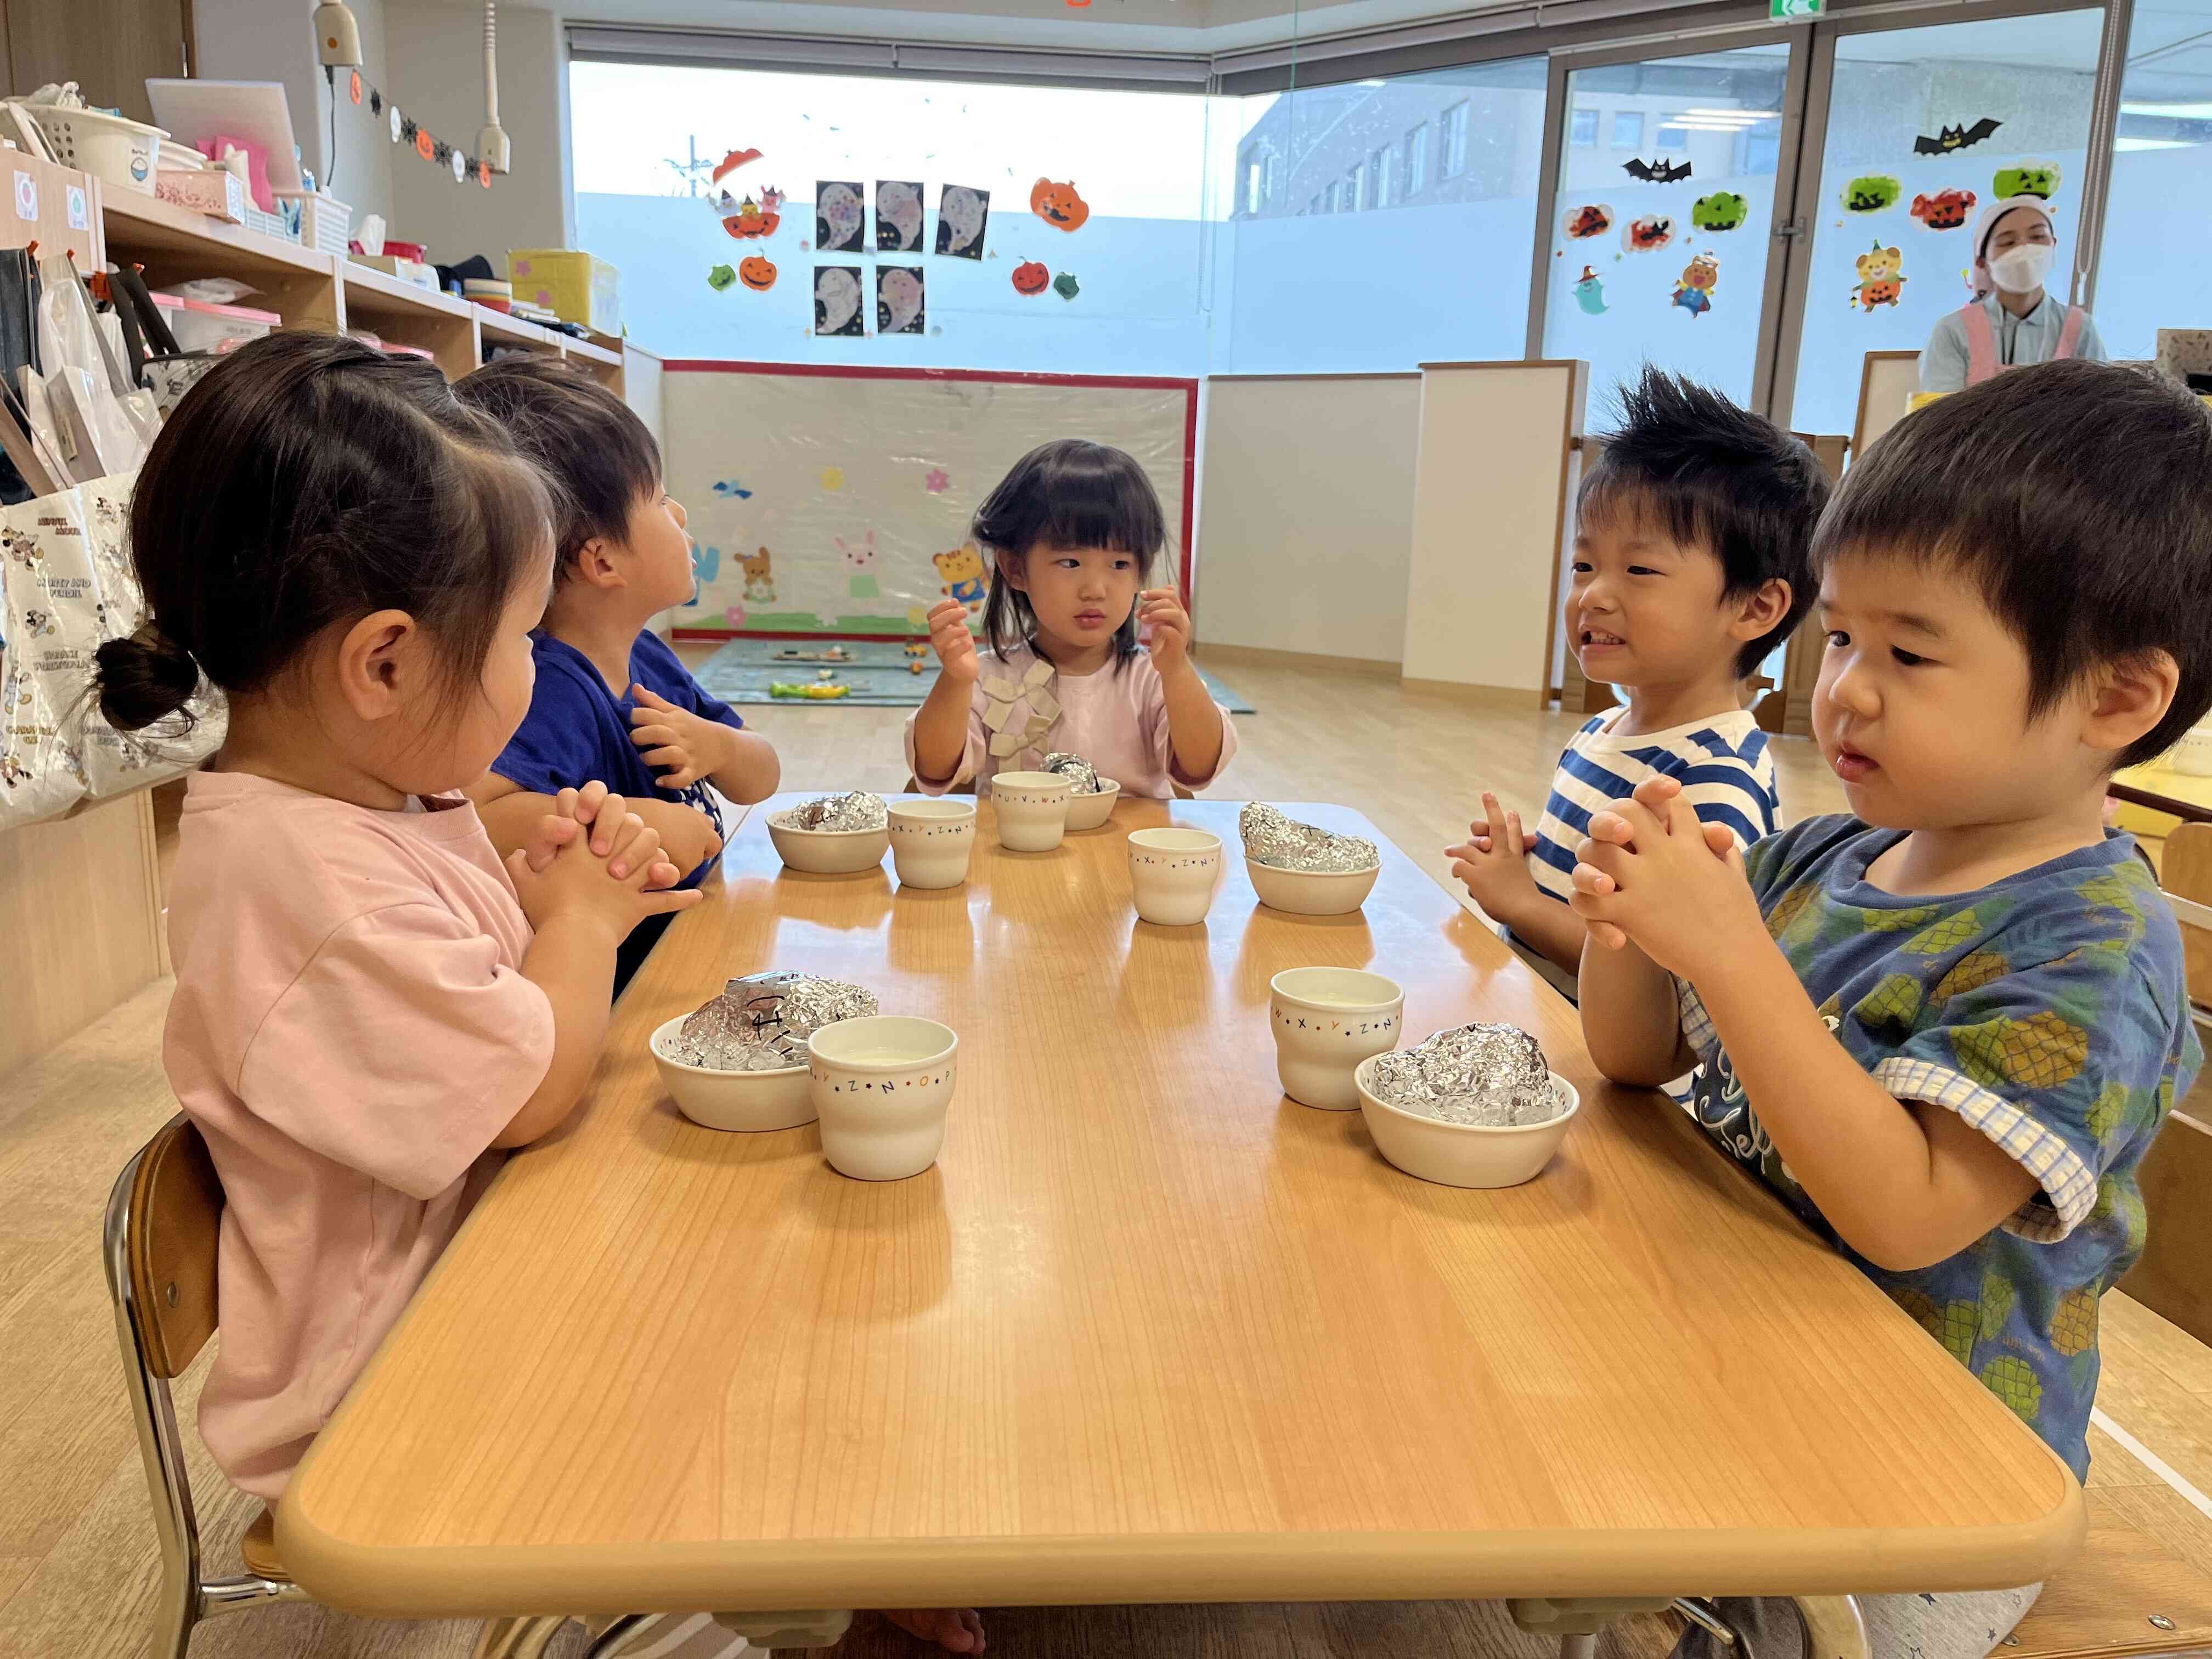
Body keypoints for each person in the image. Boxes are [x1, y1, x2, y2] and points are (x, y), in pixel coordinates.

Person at [1570, 360, 2209, 1659]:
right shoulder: (1823, 858)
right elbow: (1631, 1060)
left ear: (2117, 698)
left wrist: (1731, 954)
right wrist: (1631, 916)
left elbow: (1908, 1214)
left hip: (1930, 1487)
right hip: (1747, 1354)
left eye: (1910, 653)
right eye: (1845, 637)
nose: (1847, 688)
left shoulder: (2093, 949)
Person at [1448, 368, 1829, 995]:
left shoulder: (1711, 787)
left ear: (1755, 608)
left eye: (1640, 568)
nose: (1593, 594)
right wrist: (1528, 869)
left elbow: (1660, 988)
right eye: (1584, 564)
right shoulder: (1603, 729)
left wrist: (1520, 903)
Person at [454, 358, 780, 997]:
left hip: (681, 944)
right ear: (602, 559)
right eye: (658, 500)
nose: (680, 514)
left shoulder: (649, 660)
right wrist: (643, 821)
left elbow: (761, 778)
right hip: (608, 988)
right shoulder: (550, 685)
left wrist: (720, 747)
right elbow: (480, 817)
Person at [906, 438, 1236, 798]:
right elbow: (935, 771)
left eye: (1120, 564)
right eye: (1070, 563)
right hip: (1017, 852)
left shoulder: (1152, 678)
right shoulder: (988, 677)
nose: (1095, 589)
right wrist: (955, 681)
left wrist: (1177, 672)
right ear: (1015, 568)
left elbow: (1200, 767)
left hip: (1126, 852)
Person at [1919, 194, 2107, 393]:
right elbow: (1941, 415)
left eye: (2037, 237)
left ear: (2053, 245)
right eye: (2008, 242)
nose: (2024, 249)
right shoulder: (1952, 332)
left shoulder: (2080, 329)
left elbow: (2100, 406)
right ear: (1982, 262)